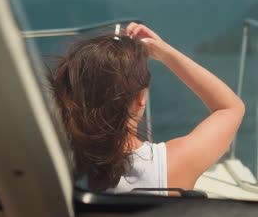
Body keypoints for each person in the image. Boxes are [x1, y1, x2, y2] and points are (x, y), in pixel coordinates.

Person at [48, 23, 245, 195]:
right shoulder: (171, 165)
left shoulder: (54, 166)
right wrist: (166, 53)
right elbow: (230, 107)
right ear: (141, 98)